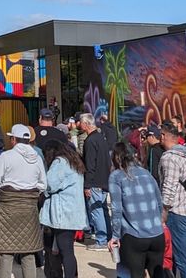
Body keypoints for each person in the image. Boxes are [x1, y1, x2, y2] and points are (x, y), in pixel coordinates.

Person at [0, 124, 47, 278]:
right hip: (29, 209)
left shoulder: (6, 156)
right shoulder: (37, 158)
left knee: (6, 253)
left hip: (7, 209)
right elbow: (43, 184)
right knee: (28, 254)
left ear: (14, 139)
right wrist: (29, 196)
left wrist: (5, 197)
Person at [107, 142, 165, 278]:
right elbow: (159, 203)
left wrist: (115, 236)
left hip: (134, 235)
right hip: (156, 233)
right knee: (157, 273)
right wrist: (160, 222)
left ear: (116, 158)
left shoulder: (116, 176)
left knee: (136, 274)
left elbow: (116, 209)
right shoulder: (146, 173)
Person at [38, 140, 87, 278]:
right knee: (68, 251)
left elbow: (50, 184)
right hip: (73, 212)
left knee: (65, 251)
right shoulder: (74, 161)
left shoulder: (59, 162)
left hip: (62, 214)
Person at [158, 120, 186, 278]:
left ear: (164, 136)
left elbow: (169, 186)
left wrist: (163, 211)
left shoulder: (169, 158)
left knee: (180, 258)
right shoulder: (183, 154)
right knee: (174, 256)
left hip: (176, 212)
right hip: (185, 208)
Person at [78, 112, 111, 250]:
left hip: (95, 182)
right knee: (102, 210)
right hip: (104, 180)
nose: (80, 125)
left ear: (86, 124)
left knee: (96, 211)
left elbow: (90, 164)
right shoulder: (101, 138)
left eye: (81, 122)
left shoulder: (90, 141)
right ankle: (107, 236)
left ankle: (101, 239)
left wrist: (87, 185)